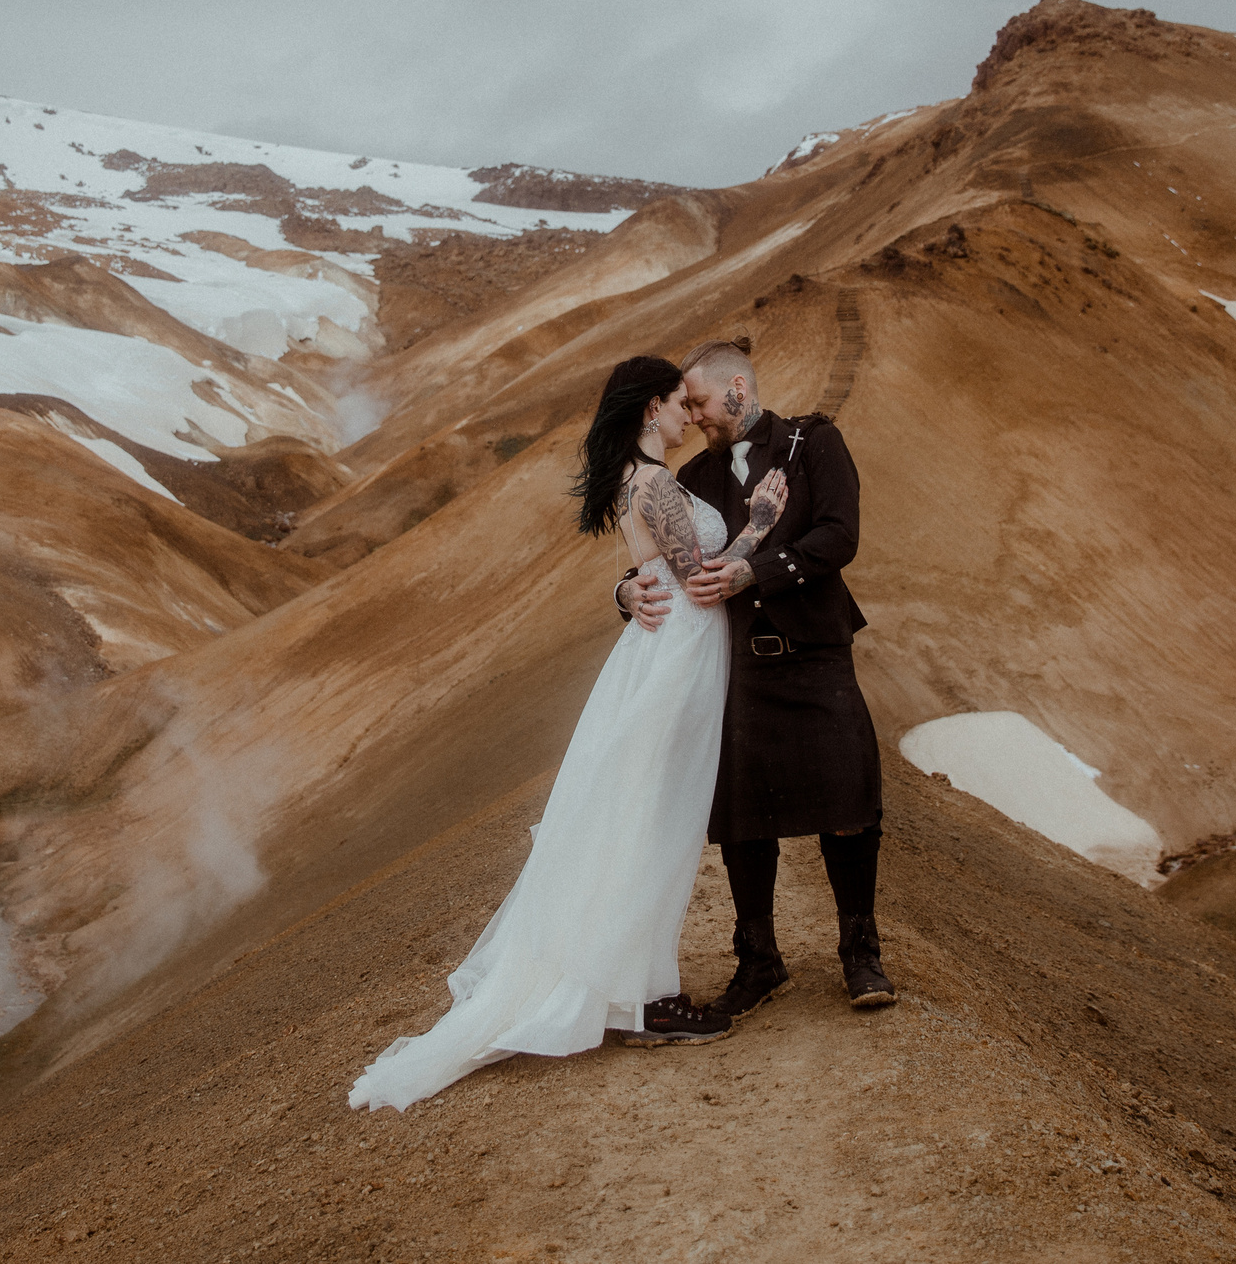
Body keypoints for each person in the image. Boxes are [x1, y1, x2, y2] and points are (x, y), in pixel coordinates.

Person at [348, 355, 790, 1113]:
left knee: (643, 818)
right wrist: (757, 527)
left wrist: (627, 587)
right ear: (652, 408)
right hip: (679, 656)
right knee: (659, 822)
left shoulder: (632, 478)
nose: (688, 414)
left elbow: (650, 571)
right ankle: (648, 997)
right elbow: (700, 577)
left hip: (663, 651)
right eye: (678, 403)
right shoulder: (653, 482)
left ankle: (640, 986)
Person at [614, 339, 892, 1015]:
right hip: (736, 667)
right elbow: (664, 556)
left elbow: (840, 534)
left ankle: (861, 951)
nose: (697, 416)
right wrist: (624, 593)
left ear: (737, 386)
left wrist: (756, 570)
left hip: (815, 651)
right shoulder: (699, 478)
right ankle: (758, 958)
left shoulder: (814, 444)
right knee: (742, 818)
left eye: (702, 401)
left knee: (848, 801)